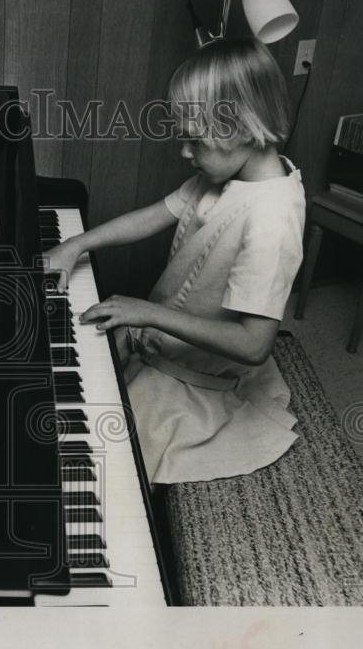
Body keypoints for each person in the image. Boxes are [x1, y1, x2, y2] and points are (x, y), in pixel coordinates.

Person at [45, 37, 305, 484]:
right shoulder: (226, 176)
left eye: (194, 140)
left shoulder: (273, 218)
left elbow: (254, 344)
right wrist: (76, 244)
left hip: (193, 384)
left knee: (90, 462)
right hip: (159, 343)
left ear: (241, 128)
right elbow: (154, 215)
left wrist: (147, 312)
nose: (185, 152)